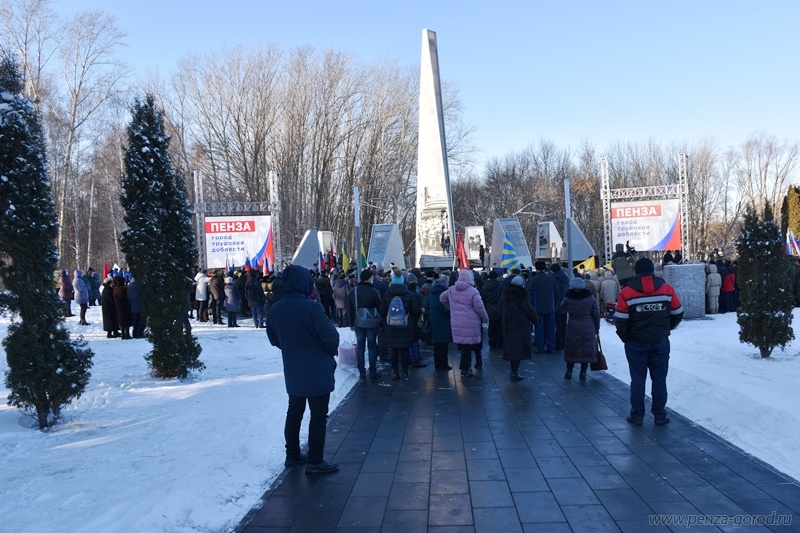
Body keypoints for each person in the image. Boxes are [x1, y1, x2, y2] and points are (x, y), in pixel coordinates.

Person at [266, 265, 340, 475]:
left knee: (294, 412)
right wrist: (326, 351)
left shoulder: (275, 309)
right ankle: (315, 460)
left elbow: (273, 339)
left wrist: (291, 347)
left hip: (293, 369)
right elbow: (331, 337)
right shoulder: (312, 308)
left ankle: (292, 455)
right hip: (317, 369)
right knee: (318, 414)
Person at [615, 258, 683, 425]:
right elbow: (678, 311)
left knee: (638, 380)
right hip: (660, 341)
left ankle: (637, 415)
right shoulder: (666, 289)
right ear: (652, 270)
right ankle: (659, 415)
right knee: (659, 379)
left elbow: (620, 319)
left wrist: (626, 337)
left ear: (636, 272)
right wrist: (667, 329)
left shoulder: (627, 292)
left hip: (636, 343)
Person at [440, 268, 489, 378]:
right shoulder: (473, 291)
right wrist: (485, 319)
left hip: (457, 322)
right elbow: (480, 308)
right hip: (471, 323)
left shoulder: (452, 289)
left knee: (464, 346)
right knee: (467, 347)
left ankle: (466, 368)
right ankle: (465, 369)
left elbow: (442, 298)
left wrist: (452, 308)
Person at [379, 268, 422, 381]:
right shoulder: (408, 294)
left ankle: (394, 372)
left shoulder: (387, 294)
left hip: (390, 326)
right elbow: (415, 310)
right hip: (405, 326)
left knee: (394, 350)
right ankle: (405, 371)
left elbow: (381, 311)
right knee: (404, 350)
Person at [499, 276, 538, 381]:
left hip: (507, 324)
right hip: (520, 325)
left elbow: (500, 309)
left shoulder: (505, 293)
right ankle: (514, 372)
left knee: (512, 347)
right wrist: (535, 319)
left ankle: (513, 370)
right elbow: (529, 310)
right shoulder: (522, 295)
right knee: (518, 348)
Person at [561, 277, 600, 380]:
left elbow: (562, 306)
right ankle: (583, 372)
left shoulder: (568, 298)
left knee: (571, 348)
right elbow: (596, 313)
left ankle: (569, 371)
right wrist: (597, 328)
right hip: (588, 325)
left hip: (573, 325)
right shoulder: (589, 297)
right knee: (585, 349)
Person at [346, 269, 383, 379]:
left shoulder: (354, 291)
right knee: (372, 347)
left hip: (359, 322)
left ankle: (361, 371)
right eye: (371, 277)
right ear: (368, 278)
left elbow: (350, 308)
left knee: (360, 347)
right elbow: (379, 308)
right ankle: (372, 371)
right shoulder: (374, 291)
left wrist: (351, 323)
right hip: (372, 323)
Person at [525, 261, 559, 353]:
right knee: (550, 328)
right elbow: (557, 293)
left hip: (537, 308)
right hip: (550, 307)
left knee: (539, 328)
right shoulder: (551, 279)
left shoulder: (533, 280)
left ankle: (540, 347)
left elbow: (529, 295)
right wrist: (555, 305)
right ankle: (551, 346)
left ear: (536, 268)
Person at [426, 274, 453, 371]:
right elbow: (446, 309)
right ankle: (444, 364)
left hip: (434, 322)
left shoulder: (431, 293)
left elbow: (427, 306)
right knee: (444, 345)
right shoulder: (445, 294)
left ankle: (437, 365)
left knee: (437, 345)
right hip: (444, 322)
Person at [480, 270, 503, 349]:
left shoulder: (484, 286)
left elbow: (483, 299)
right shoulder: (500, 285)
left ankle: (492, 343)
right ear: (496, 277)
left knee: (491, 326)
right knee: (499, 326)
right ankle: (499, 343)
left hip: (489, 308)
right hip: (499, 307)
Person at [112, 275, 133, 340]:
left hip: (118, 306)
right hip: (126, 306)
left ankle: (123, 334)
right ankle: (127, 334)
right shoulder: (124, 288)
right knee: (127, 319)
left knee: (121, 320)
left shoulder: (114, 289)